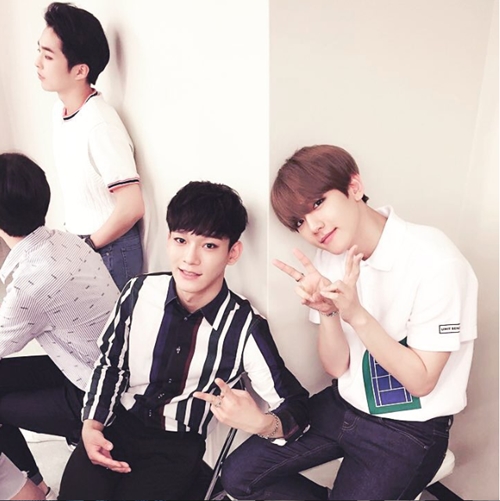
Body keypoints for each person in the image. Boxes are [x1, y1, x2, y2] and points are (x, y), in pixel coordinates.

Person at [221, 144, 478, 500]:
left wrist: (356, 315)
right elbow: (337, 366)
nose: (313, 226)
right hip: (343, 406)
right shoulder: (328, 257)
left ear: (354, 187)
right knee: (238, 477)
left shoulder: (436, 262)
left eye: (317, 203)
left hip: (410, 430)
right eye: (299, 222)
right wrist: (328, 313)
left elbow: (421, 380)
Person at [58, 180, 310, 499]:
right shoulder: (137, 292)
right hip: (117, 425)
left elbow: (297, 408)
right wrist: (92, 425)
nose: (190, 258)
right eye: (181, 240)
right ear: (168, 240)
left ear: (232, 252)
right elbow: (110, 365)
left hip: (176, 448)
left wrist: (262, 423)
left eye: (209, 246)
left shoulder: (244, 326)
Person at [0, 153, 120, 498]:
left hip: (98, 394)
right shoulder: (65, 239)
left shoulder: (32, 285)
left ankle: (33, 489)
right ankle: (36, 483)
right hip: (98, 365)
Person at [35, 2, 145, 290]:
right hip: (85, 246)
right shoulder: (60, 112)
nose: (38, 63)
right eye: (39, 51)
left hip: (110, 252)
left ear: (80, 70)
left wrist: (88, 245)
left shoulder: (100, 124)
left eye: (48, 56)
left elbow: (132, 206)